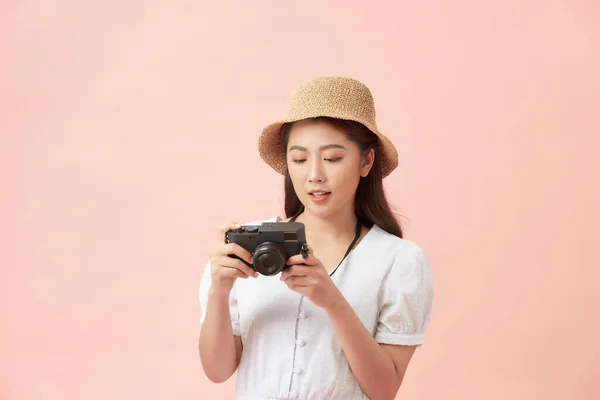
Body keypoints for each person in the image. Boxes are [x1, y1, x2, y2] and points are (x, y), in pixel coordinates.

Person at [198, 76, 434, 400]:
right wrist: (218, 293)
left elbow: (384, 389)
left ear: (366, 161)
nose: (314, 175)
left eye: (332, 158)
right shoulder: (248, 247)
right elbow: (217, 371)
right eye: (299, 159)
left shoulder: (400, 262)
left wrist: (333, 302)